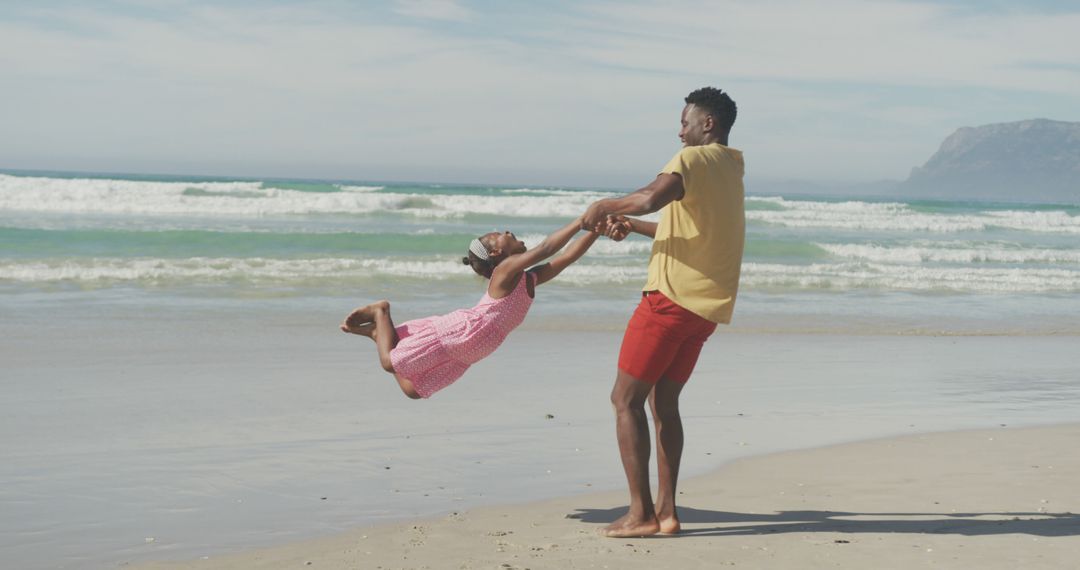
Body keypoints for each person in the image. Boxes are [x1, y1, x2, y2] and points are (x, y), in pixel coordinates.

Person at [581, 87, 745, 537]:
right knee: (663, 402)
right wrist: (631, 225)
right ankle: (668, 513)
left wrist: (605, 206)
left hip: (668, 301)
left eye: (685, 121)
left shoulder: (691, 160)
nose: (679, 131)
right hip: (704, 310)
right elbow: (687, 227)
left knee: (624, 400)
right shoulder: (730, 168)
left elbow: (653, 195)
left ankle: (640, 515)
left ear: (706, 123)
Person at [340, 218, 598, 399]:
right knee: (390, 363)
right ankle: (381, 312)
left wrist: (596, 231)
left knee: (413, 390)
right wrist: (581, 222)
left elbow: (566, 257)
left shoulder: (528, 280)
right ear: (497, 253)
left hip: (469, 351)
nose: (506, 231)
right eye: (498, 235)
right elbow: (546, 249)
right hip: (462, 334)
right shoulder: (504, 272)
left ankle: (378, 334)